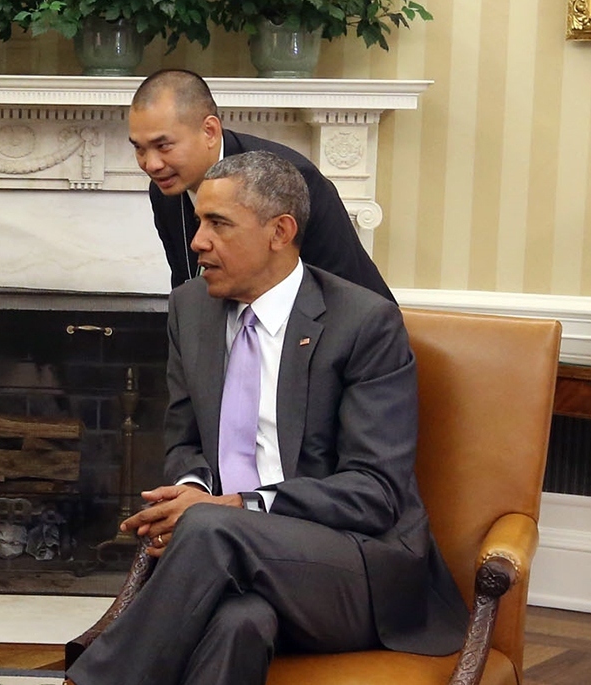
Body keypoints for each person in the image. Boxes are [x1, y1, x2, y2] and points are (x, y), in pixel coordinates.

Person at [65, 152, 467, 685]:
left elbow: (374, 493)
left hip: (357, 568)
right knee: (240, 623)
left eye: (219, 224)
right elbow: (185, 442)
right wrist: (188, 489)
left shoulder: (363, 323)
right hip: (233, 562)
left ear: (280, 232)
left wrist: (236, 506)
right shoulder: (192, 309)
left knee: (211, 528)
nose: (197, 242)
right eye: (199, 220)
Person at [130, 68, 394, 301]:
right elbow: (188, 286)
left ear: (209, 131)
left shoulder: (289, 180)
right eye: (139, 149)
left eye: (163, 146)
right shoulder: (165, 189)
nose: (151, 164)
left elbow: (349, 295)